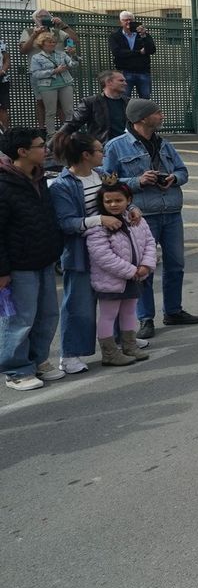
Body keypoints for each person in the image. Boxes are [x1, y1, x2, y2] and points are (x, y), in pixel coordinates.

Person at [100, 98, 198, 336]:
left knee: (176, 265)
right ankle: (145, 318)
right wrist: (137, 181)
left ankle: (173, 311)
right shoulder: (116, 146)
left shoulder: (164, 144)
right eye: (158, 112)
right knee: (145, 267)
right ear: (142, 118)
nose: (162, 115)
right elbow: (107, 180)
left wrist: (173, 178)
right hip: (142, 216)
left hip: (171, 212)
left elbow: (183, 171)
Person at [0, 128, 65, 392]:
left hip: (43, 259)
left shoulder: (39, 179)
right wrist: (3, 270)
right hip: (19, 265)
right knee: (21, 319)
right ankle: (16, 369)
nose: (45, 149)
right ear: (22, 151)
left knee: (47, 314)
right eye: (39, 146)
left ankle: (38, 360)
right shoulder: (4, 185)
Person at [51, 134, 113, 373]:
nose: (103, 154)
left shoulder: (102, 176)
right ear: (85, 155)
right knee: (78, 305)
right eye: (99, 150)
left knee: (113, 297)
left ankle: (116, 342)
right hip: (79, 253)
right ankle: (69, 355)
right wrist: (100, 220)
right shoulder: (63, 185)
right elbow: (67, 223)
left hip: (107, 249)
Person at [83, 179, 155, 368]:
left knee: (129, 311)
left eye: (118, 200)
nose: (113, 204)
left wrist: (146, 265)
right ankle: (109, 352)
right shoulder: (99, 226)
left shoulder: (136, 219)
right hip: (111, 280)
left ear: (128, 200)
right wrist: (131, 271)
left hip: (135, 277)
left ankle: (129, 346)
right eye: (108, 201)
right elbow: (102, 256)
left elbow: (149, 242)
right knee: (108, 315)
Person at [61, 70, 129, 143]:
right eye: (121, 81)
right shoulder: (90, 102)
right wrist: (50, 146)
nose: (125, 83)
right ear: (109, 82)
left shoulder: (129, 102)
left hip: (126, 146)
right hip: (102, 147)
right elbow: (71, 124)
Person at [28, 32, 77, 133]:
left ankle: (71, 133)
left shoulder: (62, 54)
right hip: (47, 86)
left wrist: (73, 54)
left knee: (69, 110)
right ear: (42, 43)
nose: (52, 44)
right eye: (49, 42)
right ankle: (51, 134)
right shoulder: (36, 57)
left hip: (65, 83)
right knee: (50, 112)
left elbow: (73, 64)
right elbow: (35, 74)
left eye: (54, 42)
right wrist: (53, 71)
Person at [109, 12, 156, 100]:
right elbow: (117, 52)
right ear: (121, 22)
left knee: (145, 99)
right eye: (125, 20)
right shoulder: (115, 36)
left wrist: (144, 36)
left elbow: (152, 50)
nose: (128, 22)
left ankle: (143, 114)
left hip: (143, 71)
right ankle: (124, 114)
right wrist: (138, 52)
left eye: (130, 20)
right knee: (123, 98)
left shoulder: (142, 35)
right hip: (124, 72)